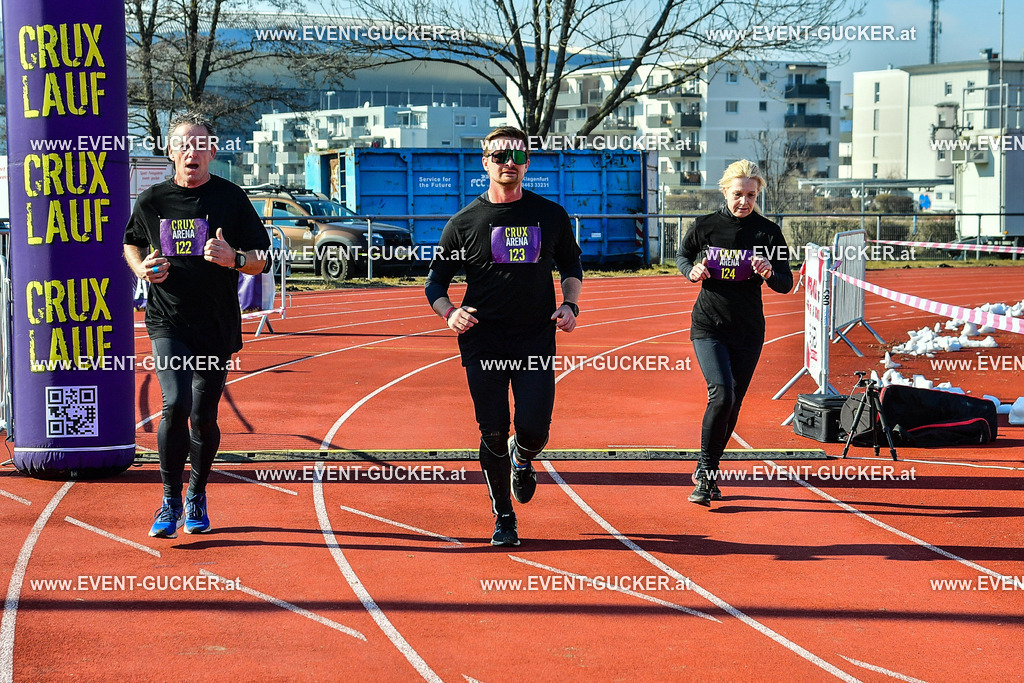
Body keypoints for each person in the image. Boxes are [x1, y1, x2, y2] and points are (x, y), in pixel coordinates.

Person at [425, 126, 583, 547]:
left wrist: (570, 306)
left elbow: (572, 268)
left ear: (527, 163)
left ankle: (524, 457)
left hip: (534, 340)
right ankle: (504, 517)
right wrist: (450, 314)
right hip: (483, 341)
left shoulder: (550, 216)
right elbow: (435, 285)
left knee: (533, 431)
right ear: (485, 163)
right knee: (492, 430)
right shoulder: (462, 224)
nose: (508, 163)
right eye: (499, 157)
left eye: (516, 156)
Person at [124, 112, 270, 538]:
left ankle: (197, 493)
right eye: (183, 144)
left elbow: (262, 258)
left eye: (200, 144)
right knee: (175, 403)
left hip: (215, 323)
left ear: (212, 151)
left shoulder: (231, 198)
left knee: (203, 416)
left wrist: (236, 259)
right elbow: (131, 242)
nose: (192, 151)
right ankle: (169, 499)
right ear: (170, 151)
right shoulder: (152, 201)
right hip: (168, 320)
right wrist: (142, 269)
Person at [676, 159, 793, 506]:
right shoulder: (706, 226)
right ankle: (707, 474)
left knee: (734, 404)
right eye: (738, 194)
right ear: (725, 190)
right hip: (709, 325)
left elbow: (786, 283)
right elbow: (682, 256)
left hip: (748, 330)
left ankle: (707, 468)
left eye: (751, 196)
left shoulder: (768, 233)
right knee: (722, 395)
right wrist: (692, 271)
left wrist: (770, 271)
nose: (744, 201)